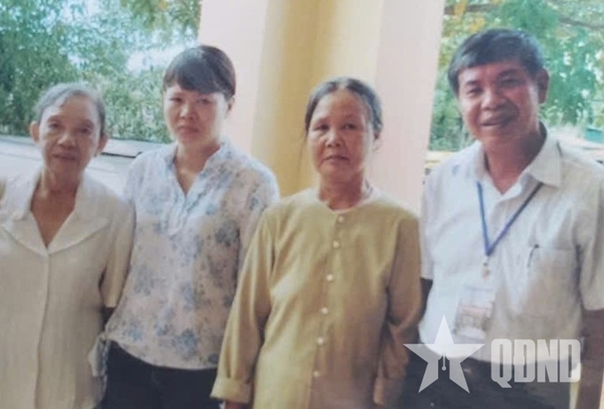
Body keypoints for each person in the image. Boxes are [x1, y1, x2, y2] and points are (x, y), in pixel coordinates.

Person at [402, 29, 604, 409]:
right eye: (474, 89)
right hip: (436, 374)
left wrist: (589, 400)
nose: (491, 101)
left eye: (507, 82)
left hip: (533, 386)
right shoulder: (444, 181)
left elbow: (599, 315)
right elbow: (425, 286)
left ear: (541, 85)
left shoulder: (590, 190)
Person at [210, 77, 421, 409]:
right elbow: (248, 316)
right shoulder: (279, 219)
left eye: (350, 126)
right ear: (308, 135)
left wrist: (385, 396)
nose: (334, 139)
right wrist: (234, 394)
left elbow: (402, 326)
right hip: (275, 397)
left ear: (376, 136)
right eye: (321, 127)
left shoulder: (401, 225)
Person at [0, 83, 134, 409]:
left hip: (68, 389)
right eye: (55, 126)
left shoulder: (115, 213)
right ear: (36, 132)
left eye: (84, 130)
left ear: (101, 143)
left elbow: (112, 309)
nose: (67, 140)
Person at [102, 45, 280, 409]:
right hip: (129, 355)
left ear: (229, 105)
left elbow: (257, 291)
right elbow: (119, 262)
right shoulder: (143, 169)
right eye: (177, 99)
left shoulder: (253, 183)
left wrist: (242, 380)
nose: (187, 113)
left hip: (202, 371)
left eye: (203, 101)